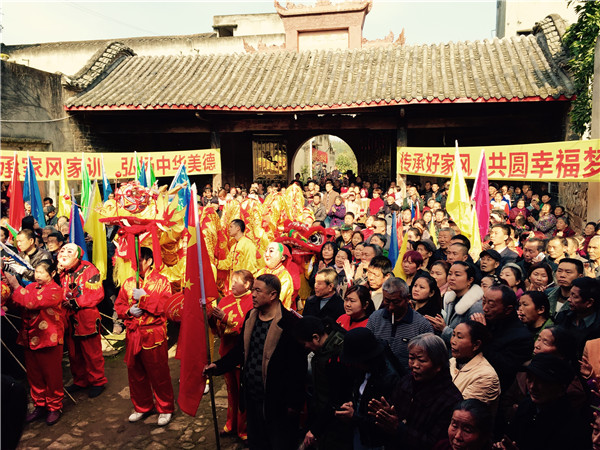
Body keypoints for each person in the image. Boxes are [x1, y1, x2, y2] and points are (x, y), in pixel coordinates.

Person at [204, 274, 307, 450]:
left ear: (273, 295)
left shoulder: (290, 323)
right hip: (252, 396)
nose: (252, 294)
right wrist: (218, 366)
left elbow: (298, 368)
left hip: (278, 402)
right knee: (257, 442)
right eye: (253, 290)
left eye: (258, 291)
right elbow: (240, 351)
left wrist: (294, 404)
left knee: (278, 442)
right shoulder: (251, 316)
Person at [368, 333, 463, 450]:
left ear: (438, 365)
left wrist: (398, 427)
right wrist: (386, 414)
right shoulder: (407, 381)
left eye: (422, 360)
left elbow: (435, 443)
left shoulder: (451, 400)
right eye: (411, 358)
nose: (415, 365)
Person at [114, 247, 174, 426]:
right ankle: (142, 406)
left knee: (159, 373)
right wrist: (128, 310)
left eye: (139, 259)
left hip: (153, 334)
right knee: (135, 373)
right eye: (134, 259)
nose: (135, 263)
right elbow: (119, 304)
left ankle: (165, 408)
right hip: (134, 334)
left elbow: (166, 306)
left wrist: (145, 299)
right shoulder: (128, 283)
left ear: (149, 261)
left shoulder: (162, 282)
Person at [3, 260, 65, 425]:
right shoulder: (30, 287)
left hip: (48, 338)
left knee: (52, 376)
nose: (37, 275)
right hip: (29, 338)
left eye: (41, 272)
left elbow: (32, 302)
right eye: (36, 272)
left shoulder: (55, 290)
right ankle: (40, 404)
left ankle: (54, 406)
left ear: (52, 274)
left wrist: (16, 286)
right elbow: (18, 301)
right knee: (34, 375)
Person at [504, 353, 591, 450]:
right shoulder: (526, 406)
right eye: (530, 378)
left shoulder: (572, 428)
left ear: (561, 389)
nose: (533, 387)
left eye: (542, 382)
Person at [336, 327, 403, 450]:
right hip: (362, 435)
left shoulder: (388, 379)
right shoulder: (363, 371)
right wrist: (354, 403)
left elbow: (384, 423)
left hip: (377, 442)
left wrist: (354, 417)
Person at [208, 269, 254, 440]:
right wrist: (211, 318)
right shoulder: (225, 300)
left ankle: (244, 429)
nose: (231, 284)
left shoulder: (251, 301)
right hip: (227, 353)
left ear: (247, 284)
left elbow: (246, 327)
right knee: (231, 392)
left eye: (236, 281)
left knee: (243, 394)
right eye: (231, 281)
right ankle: (230, 424)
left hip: (242, 354)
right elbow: (217, 329)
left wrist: (226, 319)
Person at [295, 317, 352, 450]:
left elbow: (334, 399)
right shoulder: (324, 350)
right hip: (325, 420)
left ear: (315, 337)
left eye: (305, 343)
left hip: (337, 425)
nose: (306, 348)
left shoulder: (336, 357)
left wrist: (315, 430)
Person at [57, 243, 107, 398]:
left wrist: (76, 302)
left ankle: (97, 381)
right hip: (69, 318)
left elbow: (97, 294)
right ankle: (80, 380)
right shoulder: (63, 272)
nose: (64, 253)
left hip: (86, 317)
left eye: (69, 251)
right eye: (62, 250)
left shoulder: (89, 270)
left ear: (77, 255)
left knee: (91, 352)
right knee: (74, 352)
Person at [471, 284, 533, 392]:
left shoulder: (522, 337)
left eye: (491, 304)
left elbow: (503, 368)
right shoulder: (486, 322)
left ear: (508, 309)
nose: (484, 308)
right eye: (484, 301)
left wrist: (483, 335)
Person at [366, 277, 433, 369]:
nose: (391, 307)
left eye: (396, 302)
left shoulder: (422, 326)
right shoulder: (375, 318)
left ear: (407, 298)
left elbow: (427, 359)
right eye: (387, 301)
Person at [425, 262, 484, 346]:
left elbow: (470, 340)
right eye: (450, 274)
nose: (451, 278)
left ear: (470, 280)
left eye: (457, 275)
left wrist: (444, 329)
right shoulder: (450, 299)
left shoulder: (475, 306)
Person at [449, 321, 500, 406]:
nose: (453, 341)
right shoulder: (452, 361)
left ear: (476, 345)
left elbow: (461, 411)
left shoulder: (485, 376)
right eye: (453, 335)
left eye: (459, 337)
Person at [555, 276, 600, 357]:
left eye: (574, 296)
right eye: (570, 294)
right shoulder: (563, 317)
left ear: (589, 302)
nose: (569, 299)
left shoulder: (597, 328)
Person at [256, 242, 295, 310]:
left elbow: (277, 299)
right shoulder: (261, 272)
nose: (267, 254)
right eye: (266, 251)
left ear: (282, 257)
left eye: (271, 251)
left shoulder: (284, 277)